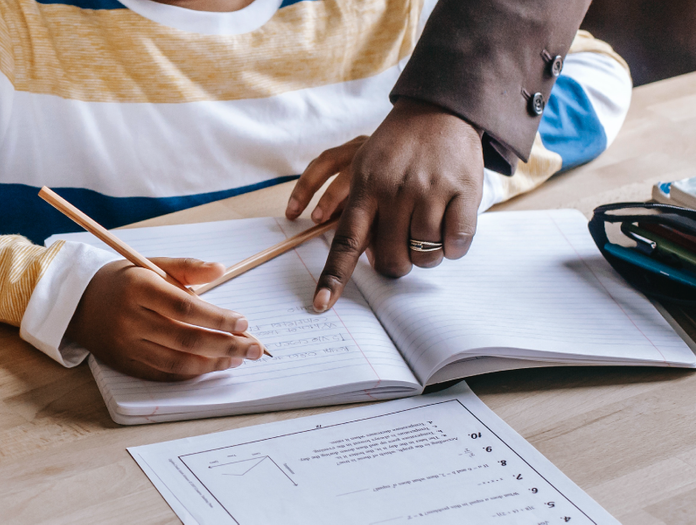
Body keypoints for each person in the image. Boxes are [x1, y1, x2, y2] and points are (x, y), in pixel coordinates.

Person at [0, 0, 630, 380]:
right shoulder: (18, 36)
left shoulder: (402, 14)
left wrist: (457, 150)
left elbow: (599, 76)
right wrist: (56, 290)